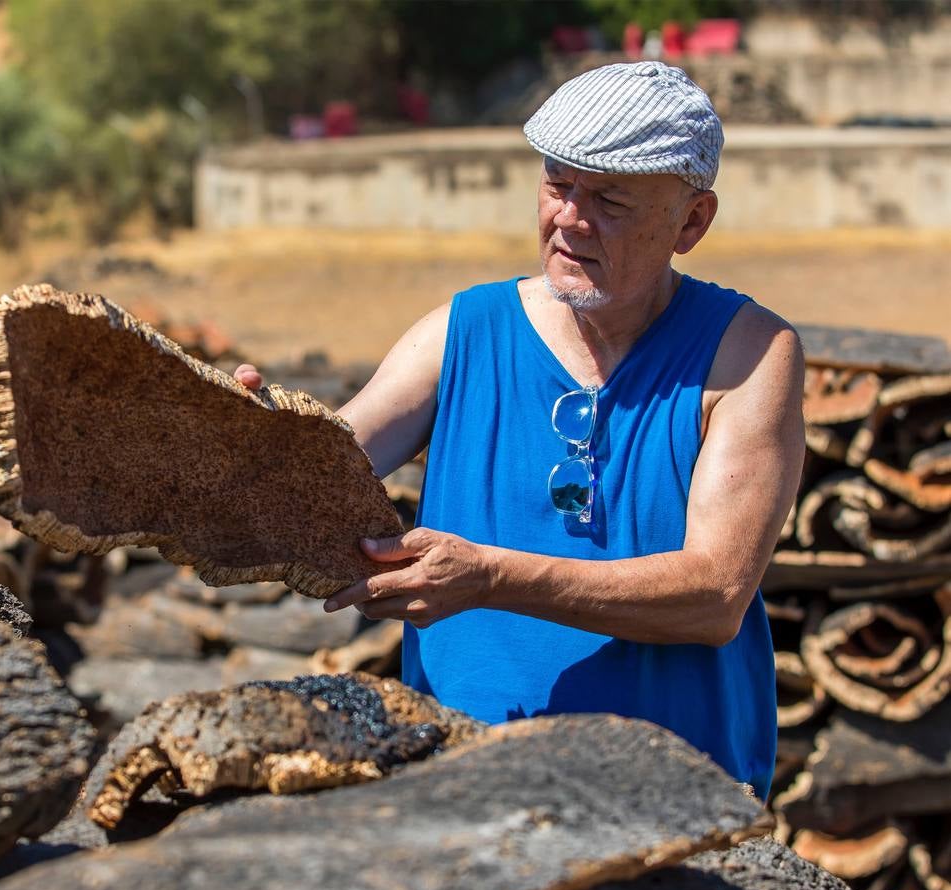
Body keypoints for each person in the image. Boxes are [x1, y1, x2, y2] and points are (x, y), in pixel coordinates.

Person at [235, 62, 803, 797]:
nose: (569, 218)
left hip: (677, 799)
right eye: (558, 185)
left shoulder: (749, 354)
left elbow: (715, 594)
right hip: (467, 784)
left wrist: (490, 578)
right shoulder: (463, 332)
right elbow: (313, 471)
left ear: (691, 222)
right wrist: (243, 438)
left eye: (610, 199)